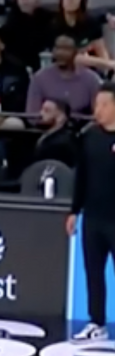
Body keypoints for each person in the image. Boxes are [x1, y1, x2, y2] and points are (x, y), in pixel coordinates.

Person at [68, 83, 115, 342]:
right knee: (93, 272)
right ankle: (97, 323)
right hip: (93, 217)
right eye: (97, 104)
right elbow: (82, 176)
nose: (98, 110)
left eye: (104, 105)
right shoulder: (90, 137)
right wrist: (74, 210)